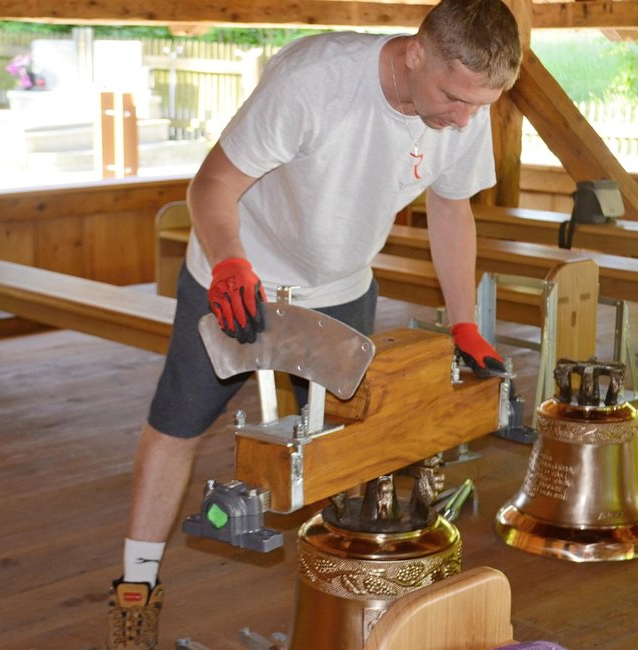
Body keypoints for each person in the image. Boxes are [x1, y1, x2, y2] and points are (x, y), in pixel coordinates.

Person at [105, 0, 521, 646]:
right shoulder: (314, 83)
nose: (463, 118)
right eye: (453, 97)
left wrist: (464, 323)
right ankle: (135, 595)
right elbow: (211, 186)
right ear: (416, 51)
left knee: (348, 453)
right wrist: (230, 265)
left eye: (479, 104)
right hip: (238, 272)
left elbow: (451, 210)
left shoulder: (465, 105)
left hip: (340, 285)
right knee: (177, 425)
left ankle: (346, 620)